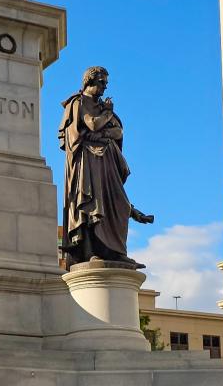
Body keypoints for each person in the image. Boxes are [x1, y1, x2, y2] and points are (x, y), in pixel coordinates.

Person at [59, 66, 153, 266]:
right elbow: (91, 124)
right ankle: (90, 251)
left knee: (117, 202)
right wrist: (107, 116)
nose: (104, 87)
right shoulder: (78, 102)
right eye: (102, 82)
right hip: (87, 162)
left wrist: (103, 131)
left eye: (105, 83)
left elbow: (118, 132)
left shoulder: (102, 106)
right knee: (92, 204)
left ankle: (116, 252)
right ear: (89, 81)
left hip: (107, 160)